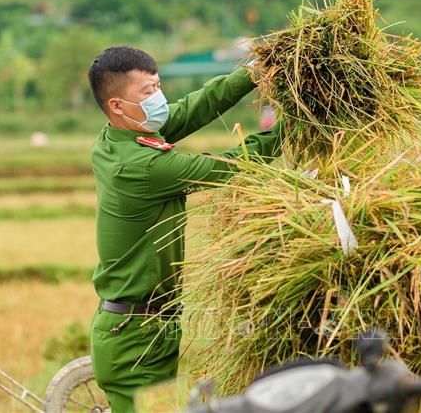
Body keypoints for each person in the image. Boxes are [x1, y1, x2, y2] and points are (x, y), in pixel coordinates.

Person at [87, 46, 281, 412]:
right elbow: (233, 166)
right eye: (147, 92)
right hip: (134, 338)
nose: (158, 98)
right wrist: (300, 125)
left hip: (149, 326)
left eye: (158, 86)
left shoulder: (117, 138)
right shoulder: (141, 166)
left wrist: (255, 72)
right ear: (116, 105)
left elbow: (198, 106)